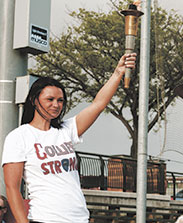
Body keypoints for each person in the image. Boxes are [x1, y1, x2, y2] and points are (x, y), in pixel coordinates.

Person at [1, 53, 136, 223]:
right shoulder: (19, 136)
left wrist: (118, 73)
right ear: (34, 100)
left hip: (79, 218)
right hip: (45, 218)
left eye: (60, 100)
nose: (56, 105)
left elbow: (98, 104)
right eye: (50, 99)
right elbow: (12, 188)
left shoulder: (66, 130)